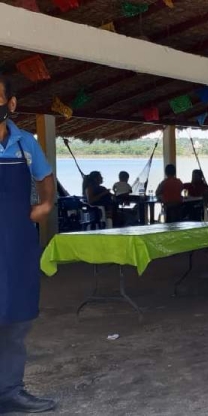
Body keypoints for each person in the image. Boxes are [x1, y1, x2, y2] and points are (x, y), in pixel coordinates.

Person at [0, 76, 59, 413]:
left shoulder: (25, 144)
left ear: (11, 104)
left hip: (17, 244)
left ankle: (10, 392)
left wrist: (47, 204)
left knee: (14, 319)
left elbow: (45, 177)